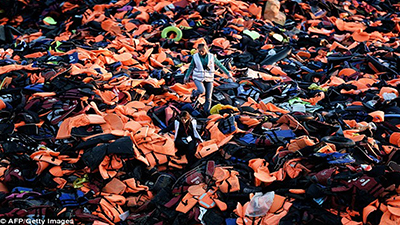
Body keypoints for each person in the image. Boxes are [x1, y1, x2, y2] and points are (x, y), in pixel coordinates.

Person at [183, 43, 235, 114]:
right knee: (201, 90)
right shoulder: (195, 57)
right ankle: (194, 93)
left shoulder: (211, 57)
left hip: (209, 78)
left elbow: (219, 65)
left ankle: (206, 112)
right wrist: (186, 76)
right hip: (198, 77)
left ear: (206, 50)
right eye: (200, 51)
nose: (201, 52)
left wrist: (228, 74)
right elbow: (191, 67)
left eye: (203, 51)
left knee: (208, 97)